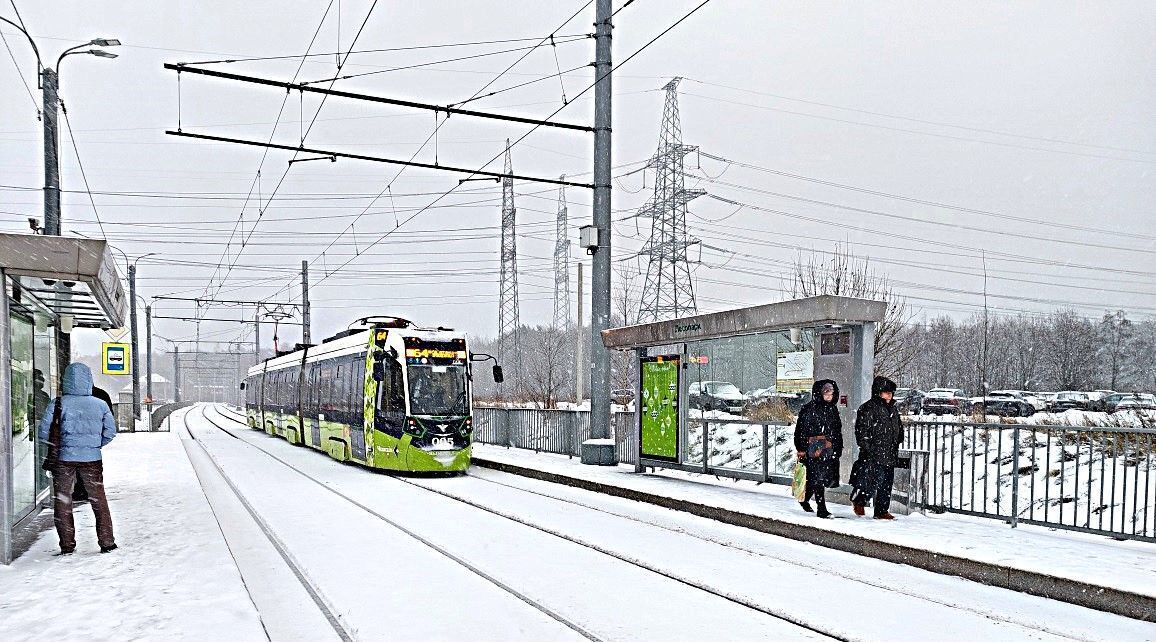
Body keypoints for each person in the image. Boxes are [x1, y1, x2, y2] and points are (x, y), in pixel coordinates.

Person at [38, 363, 117, 555]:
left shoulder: (58, 403)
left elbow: (43, 432)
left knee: (63, 502)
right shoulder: (100, 404)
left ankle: (67, 545)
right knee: (99, 500)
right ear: (88, 380)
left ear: (66, 380)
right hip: (92, 459)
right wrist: (93, 446)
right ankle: (106, 542)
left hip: (63, 459)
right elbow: (111, 433)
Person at [850, 375, 903, 520]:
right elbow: (862, 431)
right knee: (871, 481)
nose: (889, 395)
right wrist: (867, 448)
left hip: (889, 451)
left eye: (891, 392)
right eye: (886, 392)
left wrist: (898, 439)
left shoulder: (892, 409)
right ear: (878, 392)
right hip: (874, 453)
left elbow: (898, 426)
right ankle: (859, 500)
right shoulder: (868, 408)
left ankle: (881, 510)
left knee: (886, 484)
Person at [793, 379, 843, 518]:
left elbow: (837, 430)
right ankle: (822, 509)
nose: (829, 395)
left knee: (819, 478)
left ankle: (805, 499)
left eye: (831, 392)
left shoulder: (832, 409)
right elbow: (800, 431)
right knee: (818, 477)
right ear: (819, 393)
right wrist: (801, 448)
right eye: (826, 392)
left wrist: (838, 447)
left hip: (828, 447)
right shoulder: (808, 409)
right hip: (813, 448)